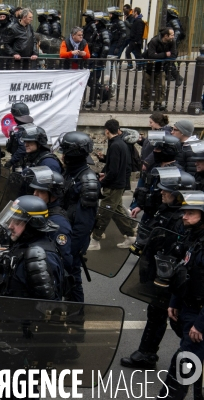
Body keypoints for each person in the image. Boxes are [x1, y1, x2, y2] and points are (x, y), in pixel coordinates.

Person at [120, 171, 193, 370]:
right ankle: (146, 354)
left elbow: (182, 251)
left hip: (173, 279)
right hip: (160, 274)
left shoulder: (184, 219)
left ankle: (193, 356)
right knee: (157, 313)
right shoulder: (167, 210)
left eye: (167, 191)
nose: (162, 193)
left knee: (180, 321)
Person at [156, 191, 204, 399]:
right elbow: (183, 270)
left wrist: (201, 324)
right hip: (187, 307)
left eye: (191, 213)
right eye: (184, 213)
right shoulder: (193, 239)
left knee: (184, 363)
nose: (184, 217)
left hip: (199, 314)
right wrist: (175, 300)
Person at [0, 195, 64, 302]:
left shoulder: (39, 257)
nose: (10, 226)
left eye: (17, 222)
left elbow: (49, 308)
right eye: (11, 220)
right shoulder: (22, 245)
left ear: (32, 225)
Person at [59, 131, 100, 303]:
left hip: (72, 241)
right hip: (64, 237)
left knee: (72, 280)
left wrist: (69, 251)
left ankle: (76, 320)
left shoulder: (87, 181)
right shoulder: (71, 173)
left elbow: (84, 224)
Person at [89, 119, 135, 250]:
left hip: (113, 185)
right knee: (117, 211)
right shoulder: (121, 143)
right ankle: (130, 236)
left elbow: (114, 170)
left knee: (104, 212)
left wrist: (103, 180)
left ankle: (95, 240)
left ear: (107, 131)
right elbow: (119, 165)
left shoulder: (115, 145)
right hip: (118, 183)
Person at [28, 167, 73, 276]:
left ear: (53, 195)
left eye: (41, 191)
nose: (35, 194)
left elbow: (64, 259)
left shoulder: (58, 224)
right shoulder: (42, 212)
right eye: (34, 190)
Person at [142, 28, 177, 112]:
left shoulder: (172, 42)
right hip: (149, 68)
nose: (173, 36)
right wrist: (165, 54)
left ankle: (158, 105)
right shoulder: (154, 41)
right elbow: (151, 55)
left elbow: (174, 55)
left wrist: (158, 55)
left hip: (161, 68)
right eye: (172, 34)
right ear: (166, 36)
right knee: (147, 88)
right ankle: (145, 106)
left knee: (161, 87)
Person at [85, 12, 111, 108]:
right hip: (93, 58)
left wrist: (100, 60)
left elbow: (106, 47)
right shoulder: (98, 31)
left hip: (98, 60)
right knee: (90, 79)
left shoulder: (104, 32)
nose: (95, 23)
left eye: (97, 21)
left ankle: (92, 101)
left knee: (93, 79)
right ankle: (103, 92)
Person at [4, 102, 34, 170]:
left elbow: (22, 149)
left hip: (22, 165)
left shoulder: (22, 130)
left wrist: (10, 162)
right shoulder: (31, 127)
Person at [165, 5, 185, 86]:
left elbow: (177, 32)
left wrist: (172, 43)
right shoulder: (173, 21)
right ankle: (173, 76)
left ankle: (178, 78)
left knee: (168, 63)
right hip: (171, 46)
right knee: (169, 63)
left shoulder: (173, 21)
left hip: (172, 47)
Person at [125, 7, 145, 71]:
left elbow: (139, 32)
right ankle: (132, 66)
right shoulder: (136, 20)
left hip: (136, 41)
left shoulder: (139, 21)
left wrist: (136, 40)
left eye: (133, 12)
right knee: (128, 52)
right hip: (133, 40)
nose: (132, 13)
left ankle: (139, 67)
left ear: (136, 12)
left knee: (138, 54)